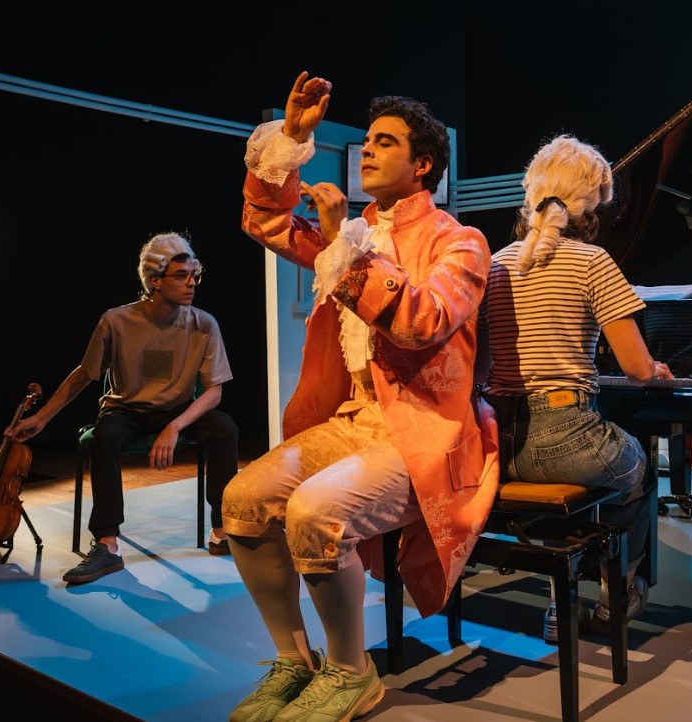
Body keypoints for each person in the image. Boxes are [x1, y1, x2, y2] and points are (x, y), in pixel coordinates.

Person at [226, 71, 498, 722]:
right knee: (242, 500)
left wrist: (344, 247)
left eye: (385, 141)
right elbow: (263, 219)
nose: (367, 149)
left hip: (424, 432)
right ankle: (294, 661)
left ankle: (351, 671)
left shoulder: (459, 242)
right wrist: (291, 137)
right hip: (352, 421)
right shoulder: (352, 231)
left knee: (314, 512)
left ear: (422, 164)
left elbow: (422, 322)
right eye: (367, 140)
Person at [475, 134, 673, 644]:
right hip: (566, 439)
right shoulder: (592, 262)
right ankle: (615, 598)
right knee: (638, 471)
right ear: (593, 207)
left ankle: (558, 604)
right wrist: (656, 368)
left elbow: (480, 367)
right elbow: (636, 368)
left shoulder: (494, 264)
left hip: (497, 444)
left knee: (577, 489)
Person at [6, 232, 240, 584]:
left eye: (194, 275)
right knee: (106, 436)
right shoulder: (116, 321)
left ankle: (222, 531)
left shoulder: (204, 324)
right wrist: (42, 417)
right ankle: (107, 544)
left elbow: (214, 392)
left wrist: (174, 426)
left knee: (224, 428)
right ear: (155, 280)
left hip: (177, 412)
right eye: (181, 276)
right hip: (127, 410)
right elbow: (84, 374)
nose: (192, 283)